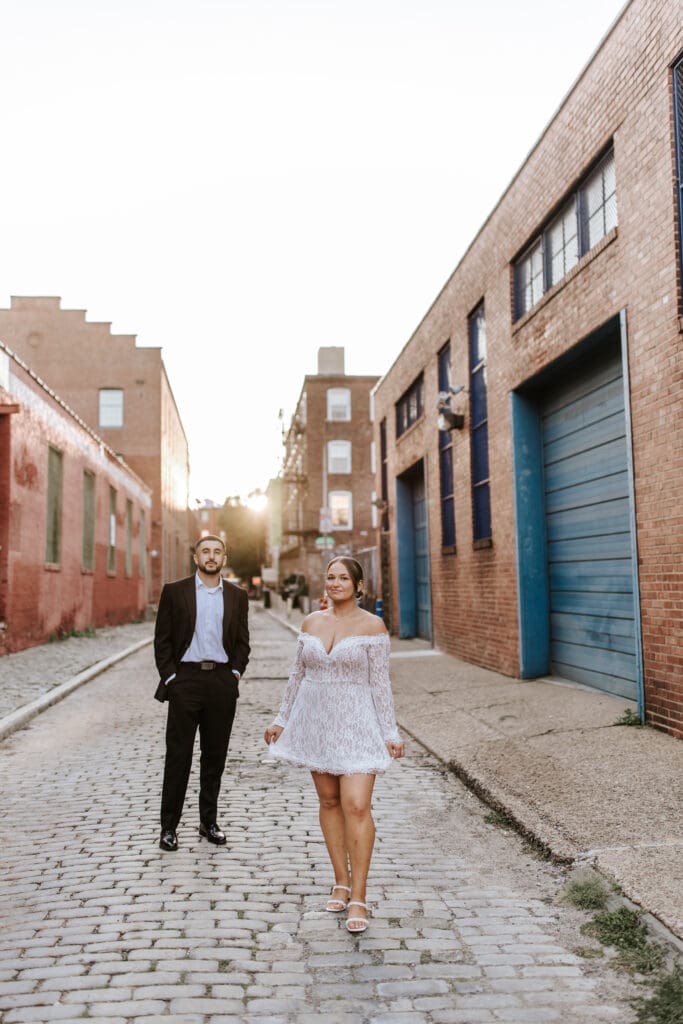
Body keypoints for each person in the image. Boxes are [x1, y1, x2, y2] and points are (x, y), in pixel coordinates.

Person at [264, 556, 404, 933]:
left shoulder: (373, 626)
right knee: (328, 801)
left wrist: (390, 732)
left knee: (356, 804)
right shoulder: (311, 622)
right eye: (330, 577)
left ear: (359, 586)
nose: (335, 583)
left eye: (343, 578)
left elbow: (380, 683)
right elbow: (298, 673)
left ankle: (359, 895)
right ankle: (340, 880)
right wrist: (282, 718)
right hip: (316, 722)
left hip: (357, 724)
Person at [154, 535, 250, 852]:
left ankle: (208, 822)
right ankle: (169, 827)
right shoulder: (175, 591)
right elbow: (162, 640)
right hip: (185, 681)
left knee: (215, 758)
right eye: (205, 552)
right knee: (178, 756)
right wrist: (171, 678)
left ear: (225, 557)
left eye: (217, 552)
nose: (211, 557)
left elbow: (242, 643)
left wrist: (234, 673)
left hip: (221, 683)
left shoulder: (237, 596)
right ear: (196, 557)